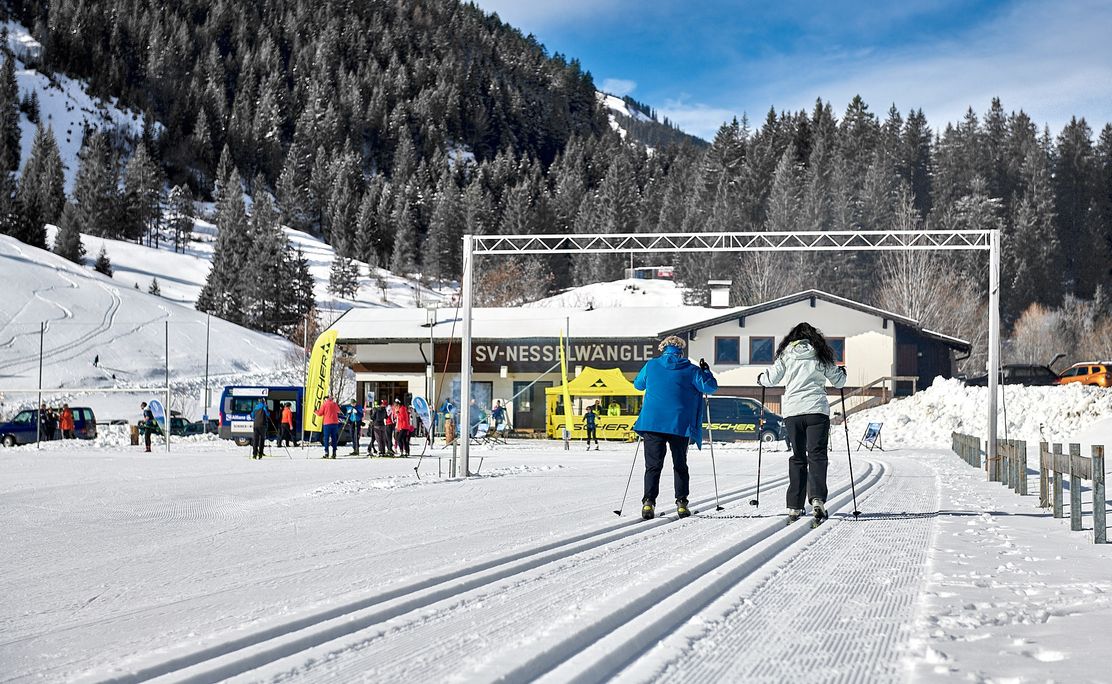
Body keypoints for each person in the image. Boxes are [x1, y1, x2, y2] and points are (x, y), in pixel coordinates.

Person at [757, 322, 848, 526]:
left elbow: (770, 379)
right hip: (816, 411)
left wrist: (760, 378)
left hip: (793, 413)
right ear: (813, 338)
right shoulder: (820, 354)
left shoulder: (786, 355)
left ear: (793, 338)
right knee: (816, 455)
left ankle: (794, 506)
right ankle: (817, 499)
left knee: (798, 457)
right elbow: (839, 382)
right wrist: (843, 374)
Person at [632, 335, 718, 520]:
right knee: (680, 465)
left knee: (653, 466)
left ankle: (648, 503)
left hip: (652, 423)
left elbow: (638, 385)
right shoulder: (691, 369)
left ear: (663, 348)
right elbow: (710, 387)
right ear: (681, 350)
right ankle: (681, 503)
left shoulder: (651, 365)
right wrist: (706, 372)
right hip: (679, 424)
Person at [315, 394, 342, 459]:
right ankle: (334, 452)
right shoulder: (334, 404)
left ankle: (326, 453)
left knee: (326, 438)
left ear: (325, 399)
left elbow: (320, 413)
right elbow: (338, 411)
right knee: (334, 438)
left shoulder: (324, 405)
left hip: (327, 423)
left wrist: (315, 411)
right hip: (335, 423)